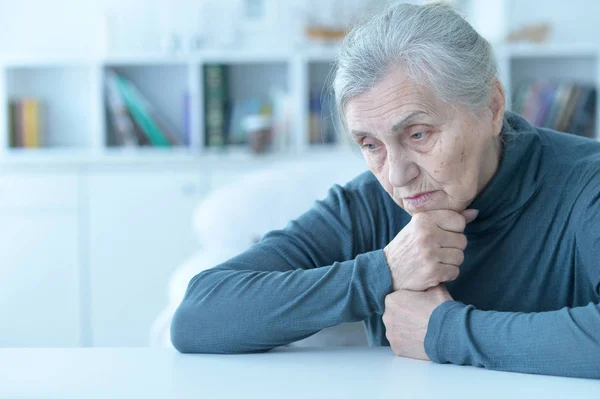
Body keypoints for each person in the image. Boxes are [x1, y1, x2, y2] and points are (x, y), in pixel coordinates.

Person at [170, 2, 600, 379]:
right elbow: (198, 316)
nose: (396, 176)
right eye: (370, 145)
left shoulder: (587, 184)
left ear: (490, 107)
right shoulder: (368, 204)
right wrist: (384, 271)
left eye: (417, 134)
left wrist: (443, 331)